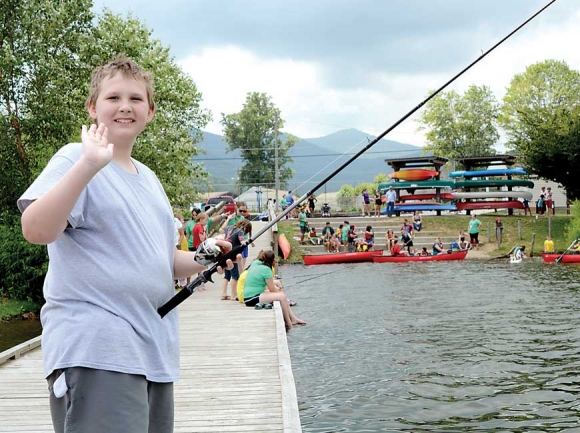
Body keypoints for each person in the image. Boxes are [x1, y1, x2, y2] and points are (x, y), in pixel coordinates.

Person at [17, 55, 236, 433]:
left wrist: (203, 256)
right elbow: (35, 229)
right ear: (92, 107)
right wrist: (88, 165)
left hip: (152, 350)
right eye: (113, 97)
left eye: (135, 99)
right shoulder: (75, 157)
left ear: (149, 112)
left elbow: (161, 260)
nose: (124, 107)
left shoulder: (149, 179)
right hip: (97, 348)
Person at [243, 250, 306, 330]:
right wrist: (277, 288)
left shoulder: (255, 263)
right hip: (251, 298)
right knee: (282, 297)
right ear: (271, 261)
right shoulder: (266, 269)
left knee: (280, 294)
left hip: (250, 294)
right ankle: (288, 323)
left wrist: (277, 289)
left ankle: (293, 318)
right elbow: (272, 289)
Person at [221, 219, 252, 301]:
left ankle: (223, 294)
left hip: (224, 254)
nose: (246, 232)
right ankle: (233, 295)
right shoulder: (240, 231)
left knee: (227, 275)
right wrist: (249, 241)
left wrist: (227, 219)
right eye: (247, 230)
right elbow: (242, 243)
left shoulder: (230, 227)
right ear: (245, 227)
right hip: (232, 255)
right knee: (235, 276)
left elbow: (221, 229)